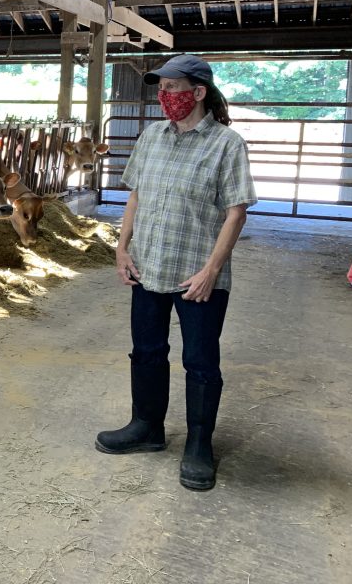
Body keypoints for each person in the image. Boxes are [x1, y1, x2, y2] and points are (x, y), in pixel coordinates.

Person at [96, 54, 257, 491]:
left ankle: (200, 444)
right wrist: (121, 248)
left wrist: (211, 270)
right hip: (148, 266)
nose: (164, 96)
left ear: (198, 92)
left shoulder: (227, 144)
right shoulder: (152, 136)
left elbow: (236, 212)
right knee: (146, 351)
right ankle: (146, 427)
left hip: (197, 276)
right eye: (162, 89)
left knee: (200, 362)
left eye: (171, 89)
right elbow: (136, 197)